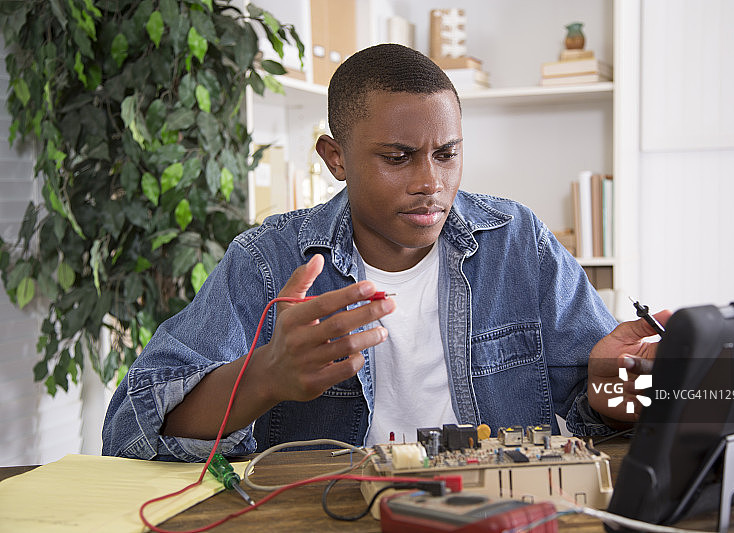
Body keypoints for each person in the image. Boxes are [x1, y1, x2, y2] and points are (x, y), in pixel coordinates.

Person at [102, 44, 667, 462]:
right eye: (398, 158)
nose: (431, 183)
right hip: (333, 517)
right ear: (335, 158)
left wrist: (610, 389)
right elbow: (128, 432)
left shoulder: (517, 240)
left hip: (498, 512)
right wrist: (265, 378)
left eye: (446, 154)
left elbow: (598, 413)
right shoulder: (269, 259)